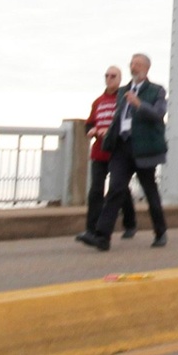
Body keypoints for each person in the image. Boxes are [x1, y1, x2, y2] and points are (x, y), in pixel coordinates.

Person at [83, 53, 166, 250]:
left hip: (142, 148)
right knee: (115, 189)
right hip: (121, 147)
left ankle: (160, 231)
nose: (133, 67)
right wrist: (105, 134)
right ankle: (102, 237)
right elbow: (117, 117)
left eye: (137, 64)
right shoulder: (123, 91)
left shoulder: (156, 91)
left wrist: (139, 104)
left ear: (146, 68)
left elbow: (158, 114)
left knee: (150, 191)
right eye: (132, 64)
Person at [74, 65, 136, 245]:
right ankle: (91, 229)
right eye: (107, 75)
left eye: (113, 76)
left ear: (120, 79)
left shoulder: (124, 99)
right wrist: (92, 130)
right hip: (99, 152)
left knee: (119, 189)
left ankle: (130, 223)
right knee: (96, 190)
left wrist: (109, 131)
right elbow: (90, 122)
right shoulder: (98, 102)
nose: (109, 79)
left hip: (117, 152)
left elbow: (127, 124)